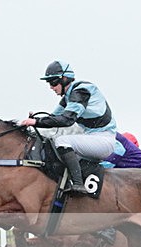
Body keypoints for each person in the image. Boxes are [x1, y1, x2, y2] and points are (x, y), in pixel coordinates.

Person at [19, 61, 117, 195]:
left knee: (62, 141)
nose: (51, 87)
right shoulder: (68, 97)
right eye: (49, 84)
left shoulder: (80, 91)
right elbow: (53, 118)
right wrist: (31, 123)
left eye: (53, 82)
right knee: (53, 147)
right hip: (93, 139)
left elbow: (66, 120)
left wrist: (36, 121)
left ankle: (78, 184)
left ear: (64, 79)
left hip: (103, 140)